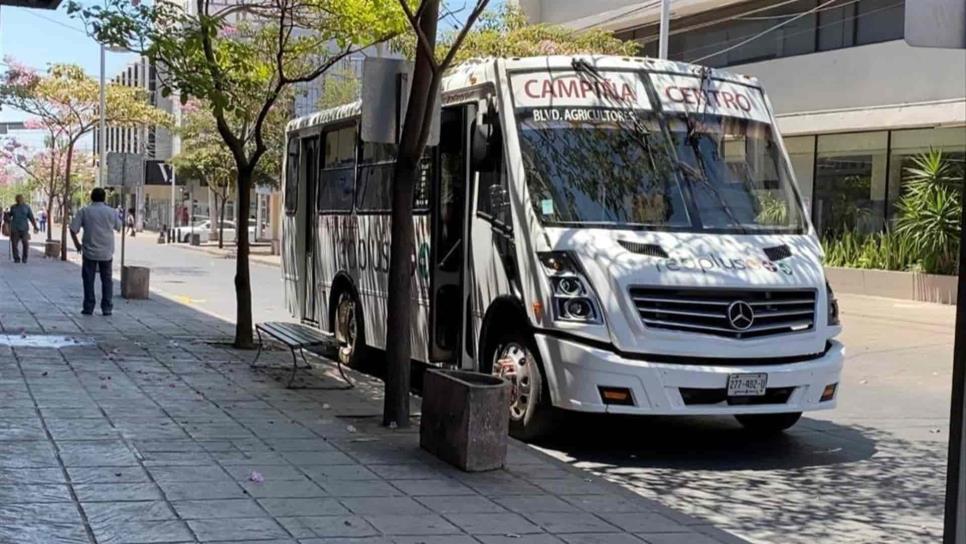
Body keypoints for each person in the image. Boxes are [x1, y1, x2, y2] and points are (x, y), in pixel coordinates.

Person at [70, 188, 122, 316]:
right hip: (106, 251)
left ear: (91, 197)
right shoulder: (111, 212)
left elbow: (73, 229)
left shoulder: (85, 211)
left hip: (89, 251)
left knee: (88, 280)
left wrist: (77, 244)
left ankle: (88, 306)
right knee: (107, 280)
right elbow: (119, 226)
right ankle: (107, 307)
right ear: (104, 198)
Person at [9, 195, 39, 264]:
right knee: (14, 244)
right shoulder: (13, 207)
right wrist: (6, 216)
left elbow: (31, 217)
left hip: (24, 229)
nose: (19, 200)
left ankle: (24, 258)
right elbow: (9, 215)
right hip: (15, 228)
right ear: (16, 200)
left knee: (25, 243)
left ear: (23, 199)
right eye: (18, 199)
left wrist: (35, 226)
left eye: (20, 199)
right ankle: (16, 258)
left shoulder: (27, 207)